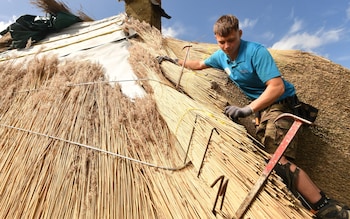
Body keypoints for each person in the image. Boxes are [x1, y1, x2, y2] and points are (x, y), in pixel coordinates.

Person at [157, 14, 349, 219]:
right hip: (263, 111)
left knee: (276, 161)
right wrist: (174, 61)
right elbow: (200, 64)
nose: (227, 46)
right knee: (268, 160)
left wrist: (246, 109)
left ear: (239, 34)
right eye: (222, 42)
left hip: (280, 104)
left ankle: (329, 208)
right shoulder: (220, 56)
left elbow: (277, 87)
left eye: (231, 40)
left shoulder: (256, 52)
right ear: (216, 39)